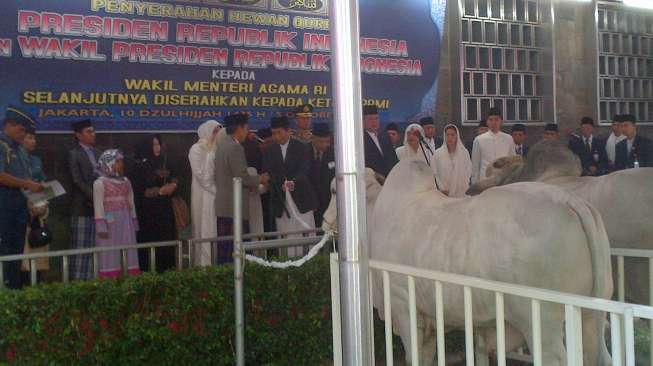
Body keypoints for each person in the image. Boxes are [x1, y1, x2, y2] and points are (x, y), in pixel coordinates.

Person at [214, 114, 269, 264]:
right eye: (246, 128)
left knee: (224, 250)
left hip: (223, 207)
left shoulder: (221, 146)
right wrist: (261, 179)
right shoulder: (235, 147)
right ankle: (236, 284)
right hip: (234, 208)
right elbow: (242, 177)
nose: (247, 132)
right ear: (239, 128)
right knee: (235, 252)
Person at [0, 106, 43, 288]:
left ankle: (13, 291)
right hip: (3, 207)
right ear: (9, 125)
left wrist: (32, 201)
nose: (23, 134)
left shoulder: (20, 150)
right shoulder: (2, 145)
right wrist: (27, 184)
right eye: (21, 130)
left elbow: (26, 178)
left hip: (19, 208)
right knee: (4, 252)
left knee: (16, 254)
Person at [263, 116, 318, 258]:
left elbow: (305, 169)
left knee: (305, 233)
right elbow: (269, 172)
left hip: (301, 198)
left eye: (279, 132)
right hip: (281, 201)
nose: (276, 136)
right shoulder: (269, 151)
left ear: (288, 131)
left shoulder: (302, 147)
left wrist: (293, 182)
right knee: (285, 236)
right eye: (274, 133)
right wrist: (279, 182)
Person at [131, 135, 178, 273]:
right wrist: (159, 191)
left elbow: (175, 176)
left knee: (167, 245)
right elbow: (138, 190)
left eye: (158, 144)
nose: (157, 148)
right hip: (148, 215)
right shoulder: (138, 166)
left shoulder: (165, 161)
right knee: (150, 247)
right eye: (153, 145)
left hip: (165, 211)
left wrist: (174, 185)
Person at [93, 150, 140, 278]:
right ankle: (110, 277)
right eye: (118, 161)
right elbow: (99, 205)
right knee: (109, 249)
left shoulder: (126, 181)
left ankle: (128, 276)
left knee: (128, 247)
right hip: (109, 221)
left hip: (126, 220)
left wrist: (133, 221)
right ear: (109, 163)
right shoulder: (99, 183)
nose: (121, 164)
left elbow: (131, 202)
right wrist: (101, 225)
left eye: (121, 161)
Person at [68, 119, 101, 281]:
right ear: (78, 135)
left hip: (100, 208)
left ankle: (94, 280)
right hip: (82, 207)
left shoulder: (98, 153)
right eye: (89, 132)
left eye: (93, 131)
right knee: (81, 248)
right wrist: (95, 196)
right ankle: (79, 284)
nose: (93, 134)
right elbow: (77, 180)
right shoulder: (74, 154)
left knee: (97, 245)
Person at [188, 120, 221, 266]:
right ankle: (203, 266)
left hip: (216, 194)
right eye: (215, 131)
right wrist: (215, 190)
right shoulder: (196, 149)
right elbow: (200, 175)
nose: (217, 134)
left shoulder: (218, 148)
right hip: (202, 194)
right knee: (203, 228)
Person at [20, 126, 50, 281]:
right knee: (22, 260)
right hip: (22, 211)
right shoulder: (14, 158)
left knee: (38, 256)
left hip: (39, 211)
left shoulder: (36, 160)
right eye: (29, 137)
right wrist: (29, 207)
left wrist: (43, 204)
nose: (33, 141)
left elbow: (42, 184)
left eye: (34, 138)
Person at [471, 108, 515, 184]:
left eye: (496, 119)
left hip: (503, 181)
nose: (493, 122)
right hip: (485, 181)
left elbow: (512, 162)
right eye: (490, 120)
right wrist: (475, 184)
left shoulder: (508, 139)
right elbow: (475, 166)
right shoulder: (479, 140)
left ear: (501, 121)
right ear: (487, 122)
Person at [433, 124, 472, 198]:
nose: (450, 137)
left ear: (457, 136)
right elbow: (435, 173)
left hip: (461, 192)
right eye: (447, 135)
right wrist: (442, 188)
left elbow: (468, 170)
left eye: (452, 135)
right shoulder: (438, 154)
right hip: (444, 193)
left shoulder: (464, 152)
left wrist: (463, 184)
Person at [308, 123, 335, 227]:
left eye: (327, 141)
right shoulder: (303, 152)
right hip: (310, 204)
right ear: (313, 139)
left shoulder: (335, 153)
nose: (325, 145)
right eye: (321, 141)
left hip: (329, 202)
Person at [363, 105, 398, 177]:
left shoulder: (385, 136)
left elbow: (393, 158)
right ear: (363, 121)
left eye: (376, 119)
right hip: (372, 179)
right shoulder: (361, 139)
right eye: (370, 119)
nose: (374, 122)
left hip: (390, 178)